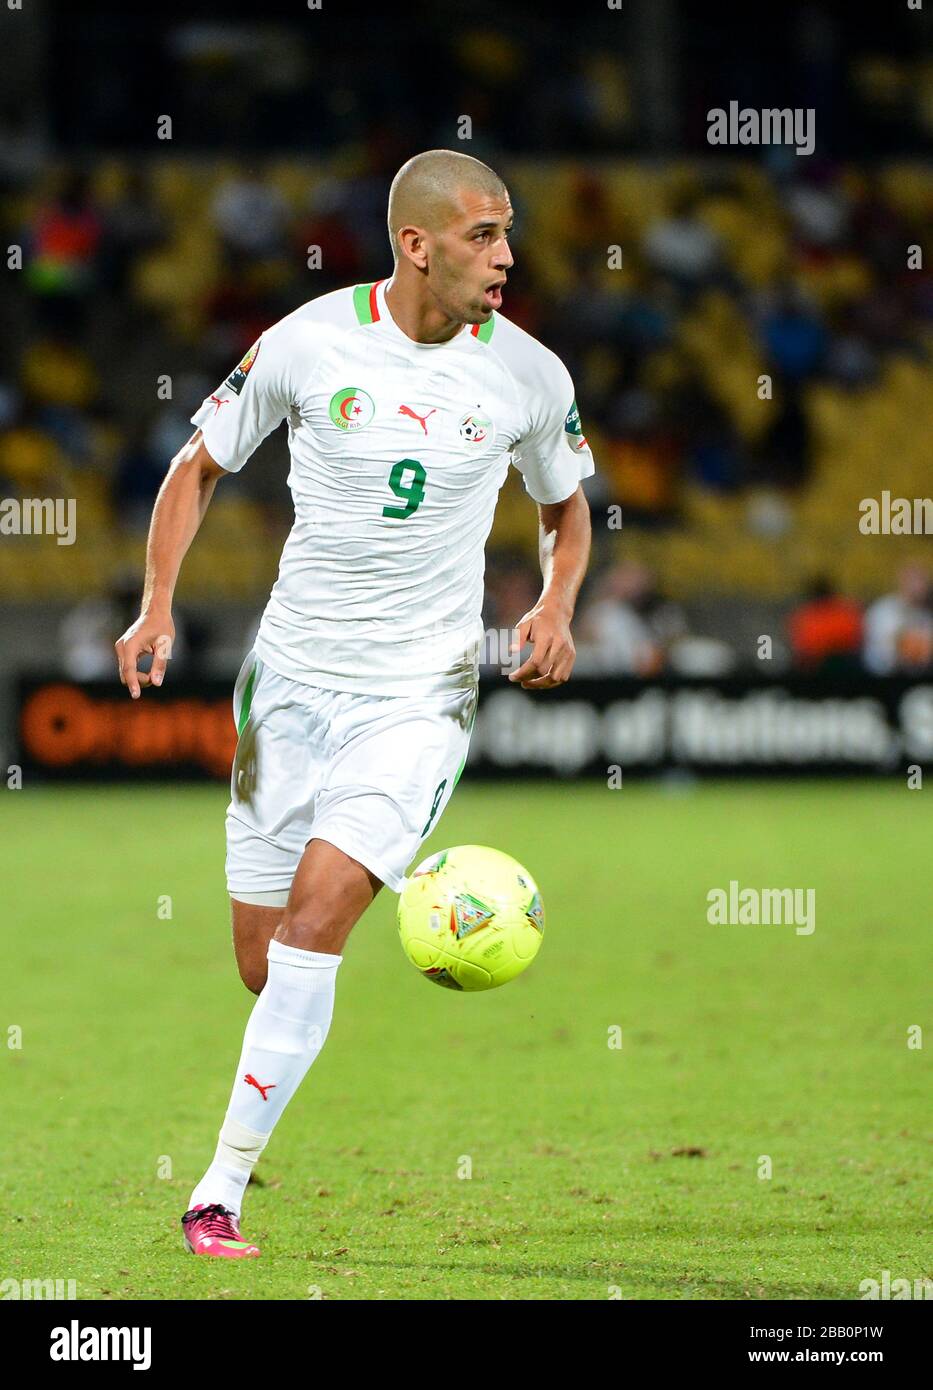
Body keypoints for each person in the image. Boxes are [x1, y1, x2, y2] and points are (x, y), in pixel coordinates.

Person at [114, 149, 594, 1259]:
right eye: (484, 235)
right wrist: (155, 607)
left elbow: (567, 511)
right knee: (265, 958)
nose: (507, 256)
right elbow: (197, 465)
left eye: (509, 232)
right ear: (418, 244)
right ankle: (372, 919)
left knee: (318, 921)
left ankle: (217, 1192)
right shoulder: (307, 342)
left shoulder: (529, 374)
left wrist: (558, 604)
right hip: (287, 684)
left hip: (420, 690)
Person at [863, 565, 933, 675]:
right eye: (914, 581)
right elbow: (884, 646)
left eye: (922, 582)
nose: (918, 587)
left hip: (917, 675)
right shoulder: (884, 609)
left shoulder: (925, 614)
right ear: (903, 582)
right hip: (882, 676)